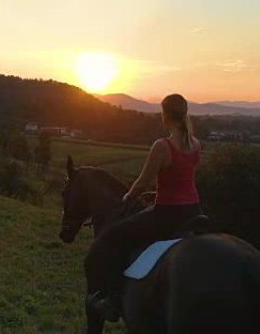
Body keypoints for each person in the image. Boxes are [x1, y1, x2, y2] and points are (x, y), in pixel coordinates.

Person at [84, 93, 203, 322]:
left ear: (165, 115)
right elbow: (182, 179)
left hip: (167, 214)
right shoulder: (196, 144)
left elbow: (142, 182)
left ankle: (113, 301)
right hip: (193, 211)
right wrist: (161, 193)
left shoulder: (162, 146)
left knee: (112, 237)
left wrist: (128, 197)